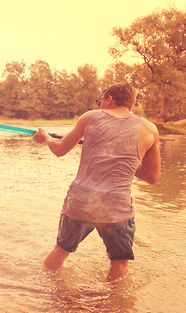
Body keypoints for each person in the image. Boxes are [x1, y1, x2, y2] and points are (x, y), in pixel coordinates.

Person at [33, 82, 161, 282]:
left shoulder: (89, 117)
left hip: (81, 202)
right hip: (116, 207)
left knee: (61, 250)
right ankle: (110, 308)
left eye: (101, 100)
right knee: (119, 262)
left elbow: (59, 149)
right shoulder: (150, 129)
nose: (100, 104)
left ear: (110, 99)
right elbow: (152, 177)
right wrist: (125, 160)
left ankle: (43, 291)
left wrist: (46, 138)